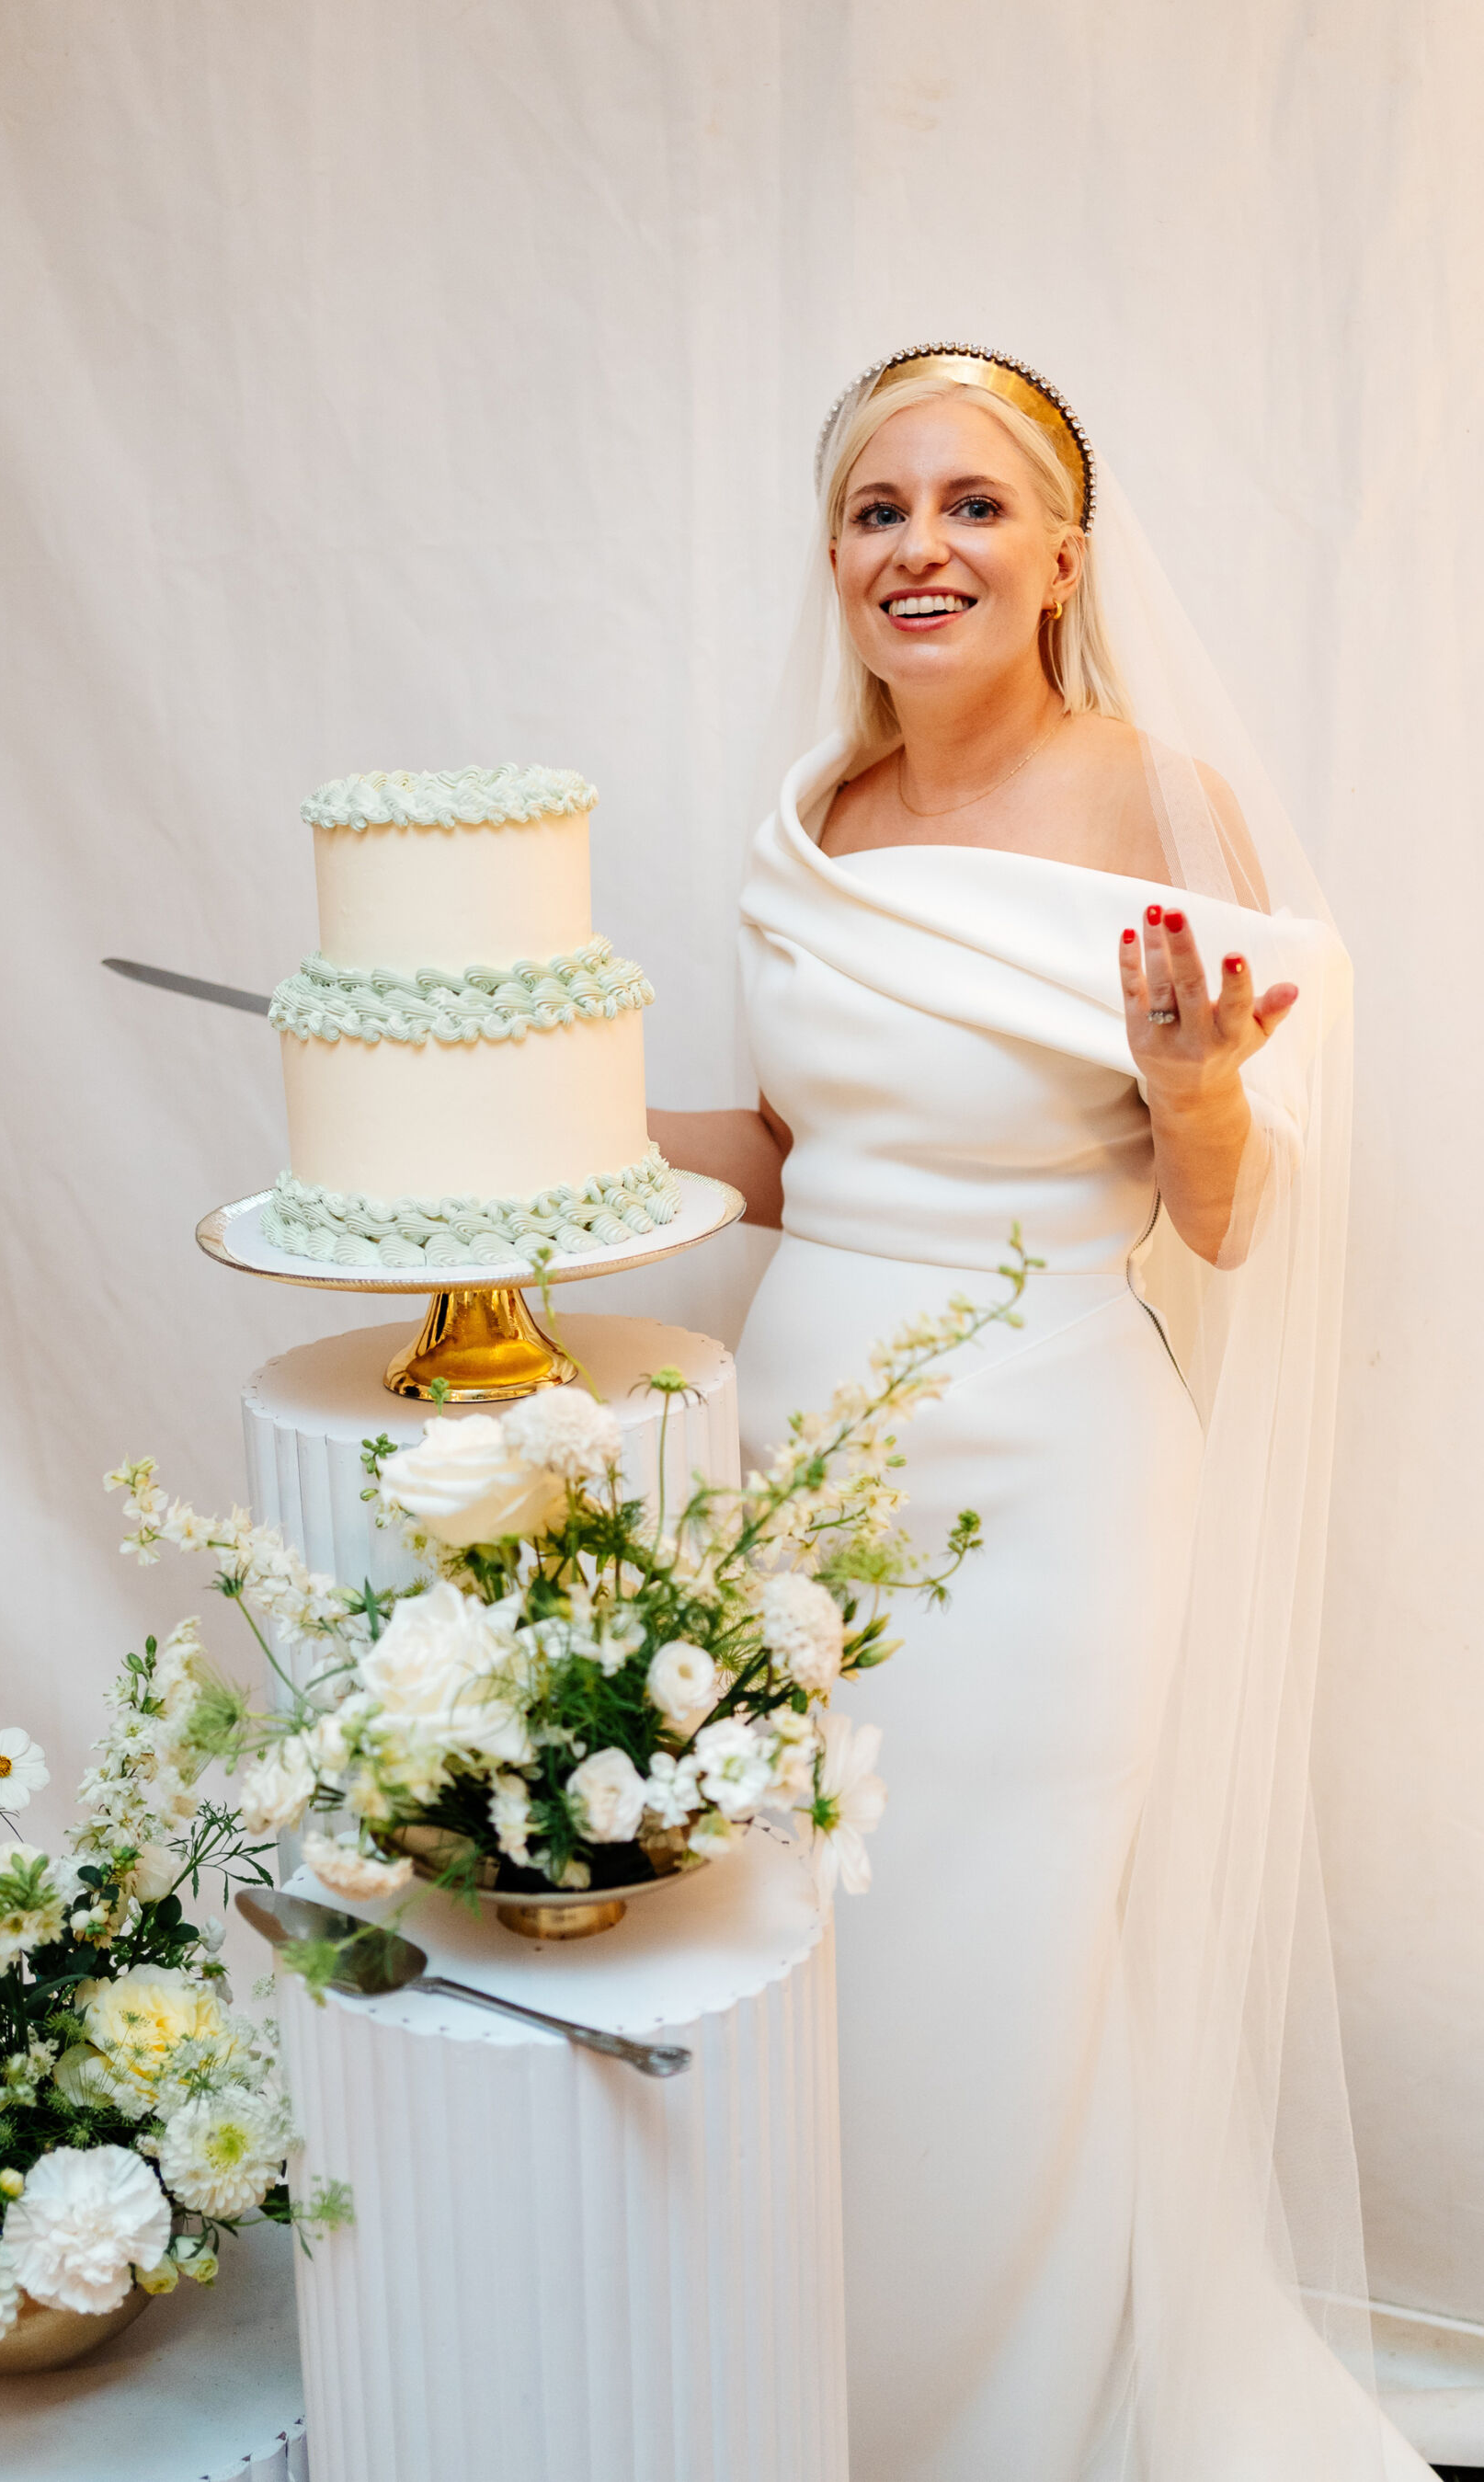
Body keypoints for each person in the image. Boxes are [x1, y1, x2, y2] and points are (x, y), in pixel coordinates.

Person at [650, 346, 1429, 2480]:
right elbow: (812, 1157)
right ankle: (821, 2397)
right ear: (833, 558)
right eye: (882, 509)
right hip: (810, 1452)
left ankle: (1009, 2430)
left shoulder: (1156, 799)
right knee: (828, 1943)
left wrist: (1194, 1091)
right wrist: (540, 1123)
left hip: (1060, 1467)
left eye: (975, 507)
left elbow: (1228, 1219)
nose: (925, 547)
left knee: (1006, 1963)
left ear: (1064, 556)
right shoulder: (810, 825)